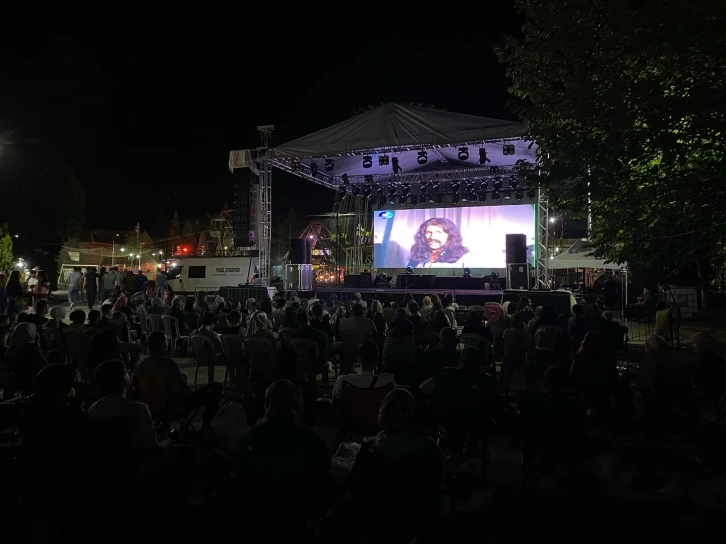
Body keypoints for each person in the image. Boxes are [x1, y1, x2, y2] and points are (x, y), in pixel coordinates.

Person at [136, 331, 222, 430]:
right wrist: (196, 395)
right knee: (215, 387)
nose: (168, 343)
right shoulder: (168, 363)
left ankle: (176, 425)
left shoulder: (142, 364)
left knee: (182, 377)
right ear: (163, 345)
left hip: (151, 407)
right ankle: (205, 427)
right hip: (173, 408)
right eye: (166, 341)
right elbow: (184, 389)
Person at [88, 359, 170, 450]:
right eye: (126, 371)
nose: (130, 373)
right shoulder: (140, 408)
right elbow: (153, 447)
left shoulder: (94, 408)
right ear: (123, 379)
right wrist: (166, 442)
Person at [407, 217, 472, 268]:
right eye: (429, 232)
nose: (432, 237)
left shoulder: (465, 257)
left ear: (450, 236)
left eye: (438, 233)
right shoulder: (418, 256)